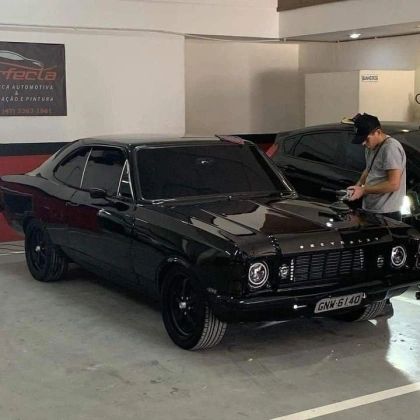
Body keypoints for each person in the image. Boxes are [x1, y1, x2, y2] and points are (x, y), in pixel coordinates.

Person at [347, 113, 406, 222]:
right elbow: (369, 169)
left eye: (366, 139)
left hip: (386, 213)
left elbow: (393, 184)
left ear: (378, 132)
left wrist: (363, 190)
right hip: (371, 208)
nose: (363, 143)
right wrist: (358, 186)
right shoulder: (370, 147)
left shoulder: (391, 148)